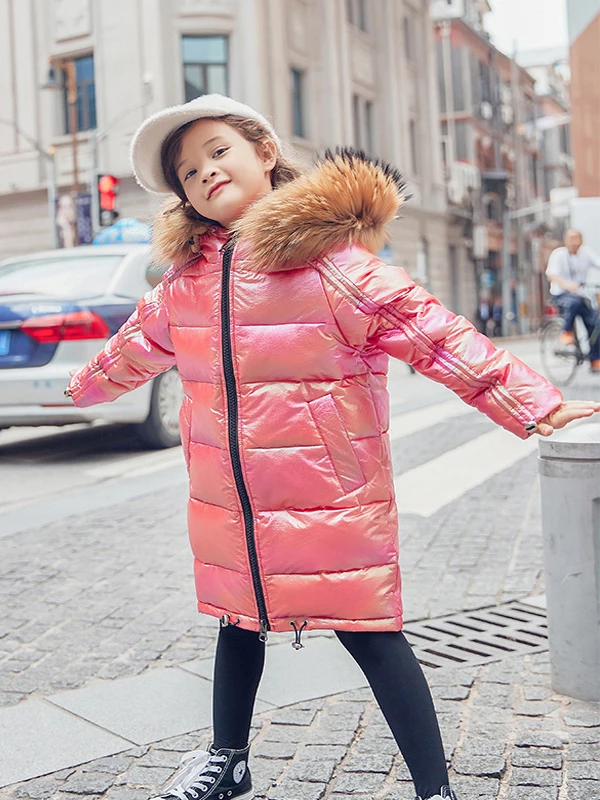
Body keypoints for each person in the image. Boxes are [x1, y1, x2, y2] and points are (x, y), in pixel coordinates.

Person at [66, 95, 600, 800]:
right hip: (232, 497)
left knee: (373, 632)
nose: (205, 173)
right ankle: (229, 758)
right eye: (188, 172)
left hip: (329, 487)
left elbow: (436, 334)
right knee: (236, 620)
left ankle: (434, 790)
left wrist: (537, 403)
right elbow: (132, 349)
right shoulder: (185, 281)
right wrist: (76, 392)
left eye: (218, 151)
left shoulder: (333, 263)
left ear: (263, 148)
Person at [546, 228, 600, 372]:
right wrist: (567, 285)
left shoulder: (586, 253)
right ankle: (566, 331)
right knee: (573, 302)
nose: (575, 242)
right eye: (572, 239)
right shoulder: (558, 254)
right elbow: (552, 275)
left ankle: (595, 359)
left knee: (596, 322)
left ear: (581, 241)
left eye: (577, 239)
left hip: (581, 295)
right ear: (566, 241)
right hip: (561, 294)